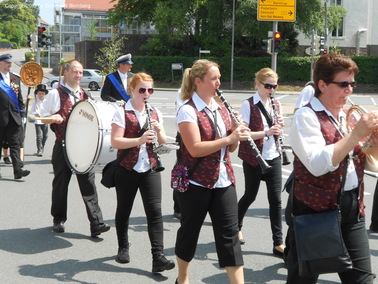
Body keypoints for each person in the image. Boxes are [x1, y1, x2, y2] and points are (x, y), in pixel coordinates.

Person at [286, 53, 376, 283]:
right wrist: (356, 135)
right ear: (322, 85)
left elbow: (368, 161)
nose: (350, 90)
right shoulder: (306, 116)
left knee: (362, 280)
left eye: (352, 84)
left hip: (352, 208)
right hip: (315, 210)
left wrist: (374, 142)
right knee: (302, 280)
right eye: (344, 84)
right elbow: (317, 164)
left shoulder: (349, 115)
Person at [175, 59, 249, 284]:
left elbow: (231, 148)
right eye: (214, 78)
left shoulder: (222, 108)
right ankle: (183, 278)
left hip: (223, 181)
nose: (219, 82)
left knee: (230, 237)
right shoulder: (187, 110)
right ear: (198, 81)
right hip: (196, 183)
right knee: (190, 233)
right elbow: (195, 149)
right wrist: (229, 137)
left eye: (219, 78)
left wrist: (237, 134)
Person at [110, 72, 175, 273]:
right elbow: (115, 141)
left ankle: (158, 257)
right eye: (142, 90)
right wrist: (138, 140)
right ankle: (123, 246)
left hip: (150, 166)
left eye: (150, 90)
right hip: (127, 168)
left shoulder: (154, 111)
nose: (146, 94)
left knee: (155, 212)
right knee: (124, 209)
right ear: (132, 90)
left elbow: (163, 141)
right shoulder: (122, 112)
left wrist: (158, 130)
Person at [41, 59, 110, 237]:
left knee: (89, 184)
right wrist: (53, 118)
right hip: (63, 145)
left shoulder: (85, 95)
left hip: (83, 148)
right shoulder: (56, 94)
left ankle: (96, 223)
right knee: (61, 184)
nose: (78, 75)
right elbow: (41, 116)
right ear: (66, 73)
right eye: (75, 71)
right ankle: (58, 219)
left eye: (80, 72)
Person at [237, 67, 286, 257]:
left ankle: (278, 243)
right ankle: (236, 227)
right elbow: (243, 134)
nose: (272, 90)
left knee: (276, 200)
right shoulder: (248, 105)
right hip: (254, 157)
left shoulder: (276, 104)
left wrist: (279, 126)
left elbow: (276, 129)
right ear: (258, 83)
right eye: (268, 86)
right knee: (250, 195)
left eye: (275, 86)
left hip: (273, 156)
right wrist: (266, 132)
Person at [0, 53, 30, 179]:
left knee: (15, 144)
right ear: (0, 63)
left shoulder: (15, 78)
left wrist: (22, 113)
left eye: (10, 62)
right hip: (0, 118)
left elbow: (19, 98)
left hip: (14, 117)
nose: (10, 64)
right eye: (7, 62)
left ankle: (18, 170)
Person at [30, 84, 49, 157]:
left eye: (42, 94)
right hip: (38, 121)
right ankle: (39, 149)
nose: (41, 95)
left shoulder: (47, 102)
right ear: (37, 94)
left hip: (45, 120)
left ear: (45, 94)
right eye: (39, 93)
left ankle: (42, 147)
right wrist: (35, 113)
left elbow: (49, 110)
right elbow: (32, 111)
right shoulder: (35, 102)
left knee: (46, 135)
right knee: (39, 136)